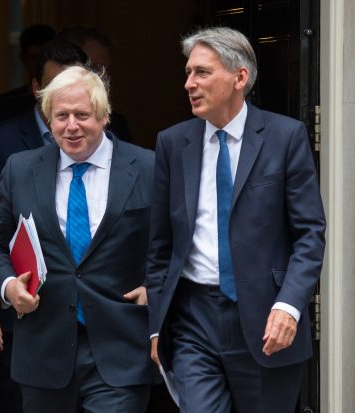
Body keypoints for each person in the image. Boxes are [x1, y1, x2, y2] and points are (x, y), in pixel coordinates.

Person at [146, 27, 326, 412]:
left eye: (202, 73)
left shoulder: (285, 136)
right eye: (188, 73)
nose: (189, 83)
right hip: (193, 318)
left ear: (239, 77)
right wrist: (159, 324)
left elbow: (310, 234)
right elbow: (160, 245)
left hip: (266, 318)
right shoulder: (173, 143)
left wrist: (289, 306)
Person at [0, 65, 157, 412]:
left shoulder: (148, 167)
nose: (71, 126)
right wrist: (7, 287)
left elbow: (174, 242)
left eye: (82, 115)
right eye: (61, 115)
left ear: (105, 116)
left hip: (119, 350)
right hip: (44, 350)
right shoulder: (20, 169)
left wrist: (158, 283)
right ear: (48, 120)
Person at [0, 38, 87, 413]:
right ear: (37, 88)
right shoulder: (0, 143)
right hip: (23, 316)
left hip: (95, 322)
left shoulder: (114, 139)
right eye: (56, 86)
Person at [57, 26, 132, 142]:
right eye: (94, 69)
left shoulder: (116, 125)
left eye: (105, 70)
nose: (102, 78)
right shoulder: (29, 125)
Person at [0, 24, 56, 129]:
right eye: (34, 57)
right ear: (23, 59)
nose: (40, 64)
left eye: (46, 58)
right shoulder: (4, 107)